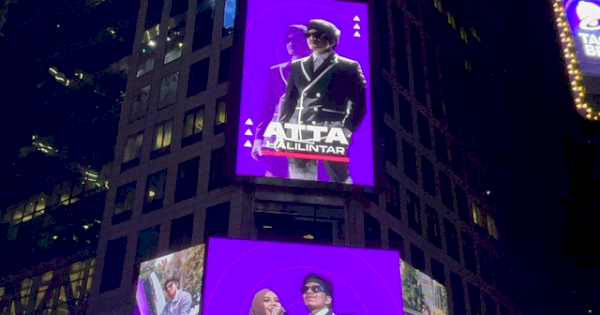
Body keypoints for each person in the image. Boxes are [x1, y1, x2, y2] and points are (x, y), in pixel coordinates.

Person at [278, 19, 367, 184]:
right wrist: (281, 129)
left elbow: (359, 105)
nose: (312, 38)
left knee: (340, 181)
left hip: (332, 131)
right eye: (309, 35)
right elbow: (290, 101)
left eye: (318, 35)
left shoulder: (348, 66)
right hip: (300, 131)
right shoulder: (298, 66)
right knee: (300, 181)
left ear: (331, 40)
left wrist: (346, 129)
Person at [252, 24, 311, 178]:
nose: (291, 43)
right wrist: (258, 139)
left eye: (296, 39)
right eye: (288, 40)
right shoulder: (276, 71)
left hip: (310, 141)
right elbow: (267, 108)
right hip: (276, 140)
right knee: (272, 181)